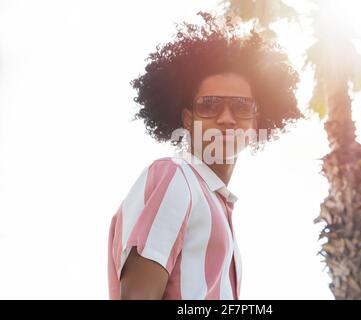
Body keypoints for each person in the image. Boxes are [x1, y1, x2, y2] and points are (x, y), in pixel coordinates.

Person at [107, 12, 301, 300]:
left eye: (242, 107)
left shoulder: (216, 203)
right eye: (209, 105)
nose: (226, 118)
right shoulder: (175, 176)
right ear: (188, 119)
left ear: (256, 123)